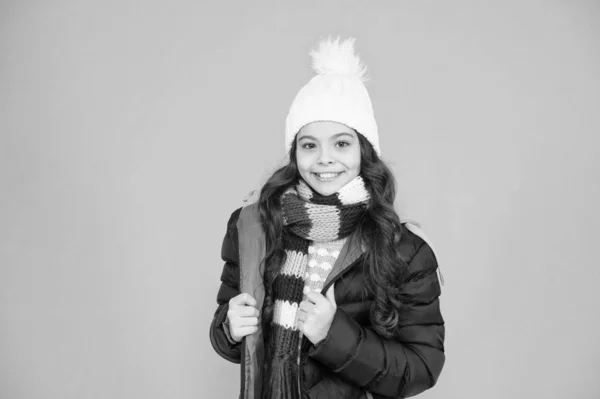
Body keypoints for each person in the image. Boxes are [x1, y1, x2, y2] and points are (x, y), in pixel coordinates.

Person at [209, 36, 445, 399]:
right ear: (295, 153)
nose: (324, 159)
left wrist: (333, 334)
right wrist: (228, 330)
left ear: (364, 150)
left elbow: (421, 368)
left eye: (341, 143)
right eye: (309, 145)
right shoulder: (255, 227)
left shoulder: (405, 250)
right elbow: (232, 340)